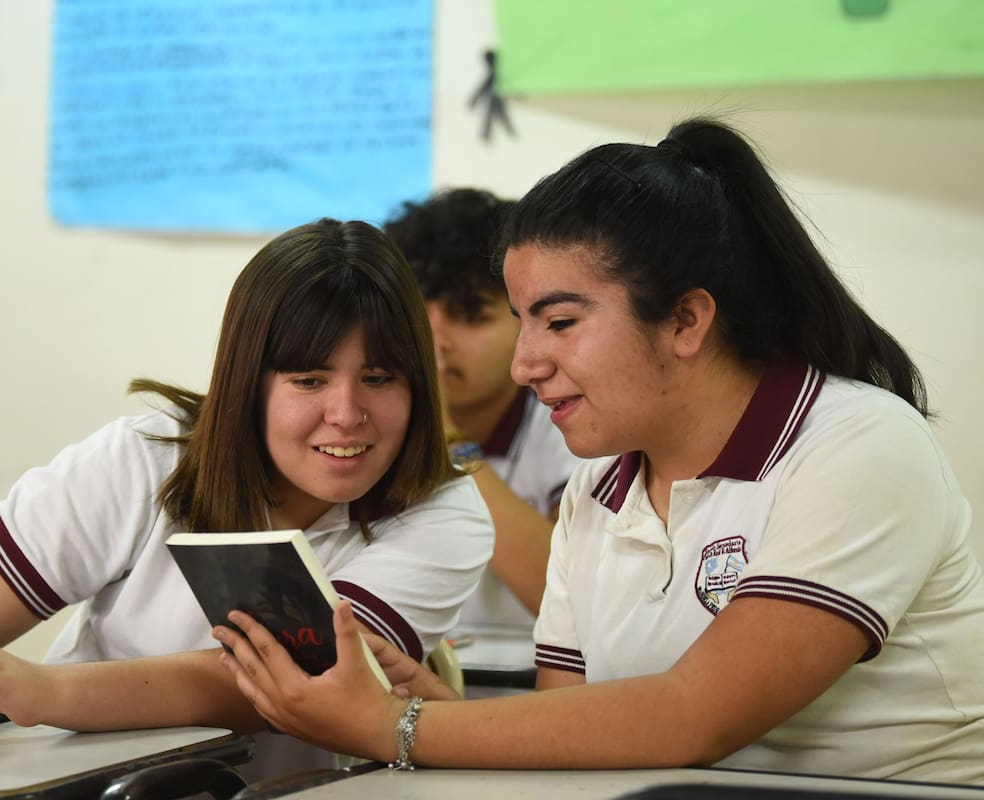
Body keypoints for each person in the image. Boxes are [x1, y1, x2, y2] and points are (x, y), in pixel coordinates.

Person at [212, 119, 984, 784]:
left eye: (560, 322)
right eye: (521, 322)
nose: (525, 364)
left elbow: (694, 716)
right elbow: (576, 737)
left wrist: (398, 726)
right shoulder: (598, 491)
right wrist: (432, 709)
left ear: (685, 321)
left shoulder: (858, 444)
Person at [0, 220, 493, 758]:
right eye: (308, 380)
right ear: (248, 382)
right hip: (76, 776)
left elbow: (289, 682)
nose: (346, 413)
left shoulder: (441, 513)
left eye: (379, 378)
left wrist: (43, 690)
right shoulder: (146, 458)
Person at [384, 189, 579, 627]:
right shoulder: (362, 420)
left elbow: (568, 599)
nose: (435, 340)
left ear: (525, 319)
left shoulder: (569, 421)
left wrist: (448, 437)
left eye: (469, 316)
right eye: (415, 316)